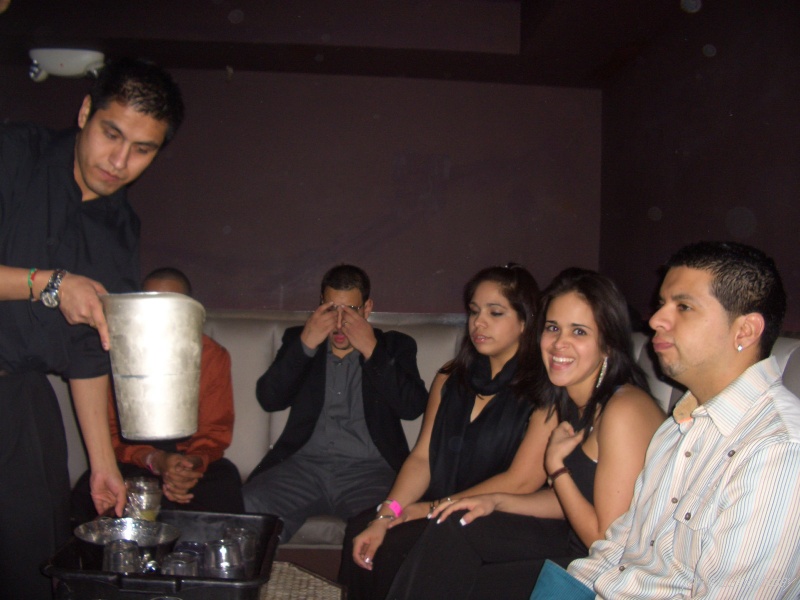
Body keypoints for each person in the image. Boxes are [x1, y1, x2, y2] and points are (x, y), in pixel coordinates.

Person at [0, 58, 183, 598]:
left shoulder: (120, 229)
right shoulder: (14, 154)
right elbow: (53, 288)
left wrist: (105, 465)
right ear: (85, 112)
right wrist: (49, 283)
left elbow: (89, 350)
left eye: (142, 149)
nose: (119, 161)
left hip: (18, 395)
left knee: (35, 568)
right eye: (112, 134)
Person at [385, 268, 666, 599]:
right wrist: (494, 501)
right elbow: (570, 501)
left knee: (459, 553)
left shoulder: (624, 408)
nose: (559, 343)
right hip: (577, 545)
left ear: (607, 344)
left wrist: (557, 469)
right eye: (553, 328)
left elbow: (605, 540)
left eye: (578, 331)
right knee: (458, 529)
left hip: (615, 571)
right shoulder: (573, 402)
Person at [560, 241, 800, 598]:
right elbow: (618, 550)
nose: (655, 319)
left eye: (683, 306)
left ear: (745, 331)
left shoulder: (777, 450)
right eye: (662, 304)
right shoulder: (677, 427)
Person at [341, 264, 553, 600]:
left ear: (525, 321)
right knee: (363, 529)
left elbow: (521, 481)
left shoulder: (545, 390)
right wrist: (387, 513)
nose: (478, 323)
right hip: (439, 503)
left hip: (497, 515)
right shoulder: (450, 378)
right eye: (474, 311)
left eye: (495, 313)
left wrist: (432, 508)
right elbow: (422, 457)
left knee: (398, 548)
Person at [242, 264, 429, 543]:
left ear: (367, 308)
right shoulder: (300, 339)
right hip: (302, 469)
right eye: (331, 309)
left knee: (390, 529)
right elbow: (269, 399)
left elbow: (412, 407)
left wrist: (372, 350)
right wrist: (306, 345)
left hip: (371, 474)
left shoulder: (395, 346)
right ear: (320, 305)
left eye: (350, 310)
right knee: (249, 506)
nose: (339, 322)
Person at [71, 268, 243, 522]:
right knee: (88, 496)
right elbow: (109, 434)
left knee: (224, 484)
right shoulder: (112, 350)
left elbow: (215, 431)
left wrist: (190, 465)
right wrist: (155, 459)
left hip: (187, 458)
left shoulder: (211, 355)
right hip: (133, 459)